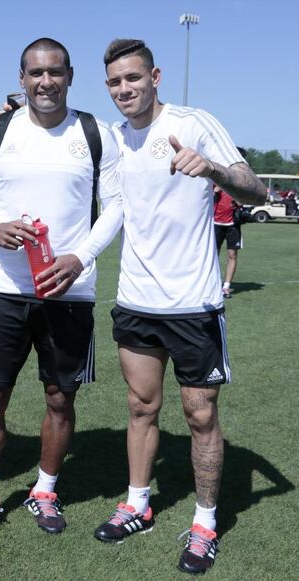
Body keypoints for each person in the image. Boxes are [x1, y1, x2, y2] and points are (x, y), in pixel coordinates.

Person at [96, 39, 266, 575]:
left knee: (200, 415)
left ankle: (205, 523)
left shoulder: (193, 123)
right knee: (140, 407)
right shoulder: (114, 139)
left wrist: (213, 169)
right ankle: (137, 505)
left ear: (155, 77)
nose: (124, 89)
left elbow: (256, 190)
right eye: (115, 82)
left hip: (193, 305)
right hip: (136, 302)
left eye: (133, 78)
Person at [0, 37, 123, 543]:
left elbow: (115, 206)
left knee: (59, 397)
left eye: (55, 72)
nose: (45, 82)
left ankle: (45, 491)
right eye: (36, 73)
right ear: (22, 78)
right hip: (4, 288)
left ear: (70, 76)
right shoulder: (0, 131)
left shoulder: (95, 133)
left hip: (68, 291)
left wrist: (80, 257)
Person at [213, 185, 242, 298]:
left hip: (233, 224)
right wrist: (215, 192)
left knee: (232, 255)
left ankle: (226, 286)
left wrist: (240, 201)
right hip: (215, 223)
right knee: (213, 255)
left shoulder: (236, 183)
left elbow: (246, 199)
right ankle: (212, 284)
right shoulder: (214, 181)